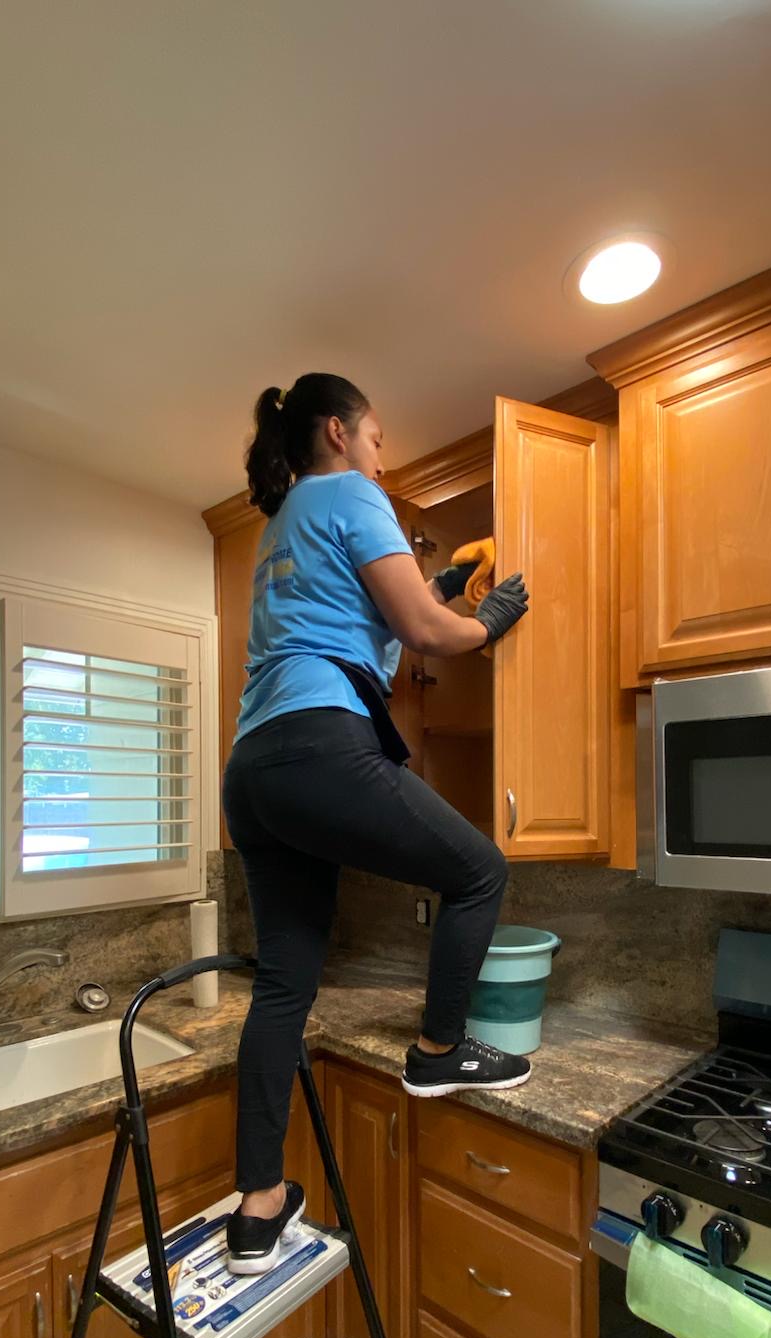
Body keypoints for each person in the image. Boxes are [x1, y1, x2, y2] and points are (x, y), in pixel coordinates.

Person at [222, 372, 531, 1273]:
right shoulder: (355, 493)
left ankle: (258, 1204)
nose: (381, 454)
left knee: (283, 984)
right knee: (478, 870)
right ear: (339, 431)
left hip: (256, 769)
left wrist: (429, 587)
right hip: (322, 746)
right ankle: (438, 1050)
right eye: (379, 437)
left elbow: (357, 630)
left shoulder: (278, 529)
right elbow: (429, 637)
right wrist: (485, 620)